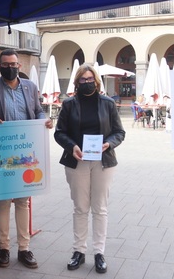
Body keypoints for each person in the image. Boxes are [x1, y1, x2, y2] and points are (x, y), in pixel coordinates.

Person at [0, 49, 53, 270]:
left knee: (22, 201)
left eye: (15, 64)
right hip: (2, 153)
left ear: (20, 66)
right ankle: (3, 248)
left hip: (25, 151)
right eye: (7, 64)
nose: (12, 67)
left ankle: (24, 248)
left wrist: (43, 120)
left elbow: (37, 111)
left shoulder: (30, 87)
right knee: (3, 200)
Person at [54, 64, 125, 274]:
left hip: (103, 161)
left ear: (96, 81)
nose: (87, 82)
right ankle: (79, 251)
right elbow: (60, 132)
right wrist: (72, 146)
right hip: (78, 160)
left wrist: (109, 144)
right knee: (80, 208)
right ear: (77, 82)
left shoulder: (108, 104)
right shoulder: (68, 104)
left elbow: (119, 132)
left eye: (90, 79)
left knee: (100, 208)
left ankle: (99, 252)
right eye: (83, 79)